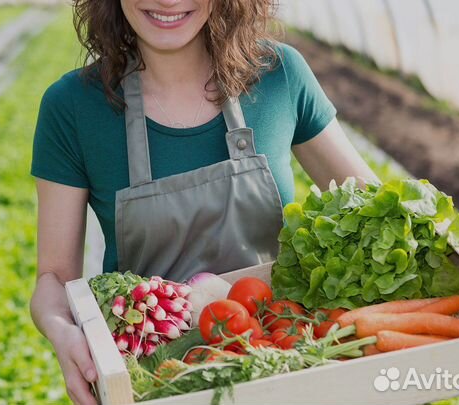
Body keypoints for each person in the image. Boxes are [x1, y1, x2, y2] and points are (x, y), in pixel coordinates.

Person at [29, 1, 377, 403]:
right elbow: (53, 278)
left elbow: (369, 208)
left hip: (287, 360)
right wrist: (63, 331)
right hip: (161, 381)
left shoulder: (279, 76)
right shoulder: (73, 107)